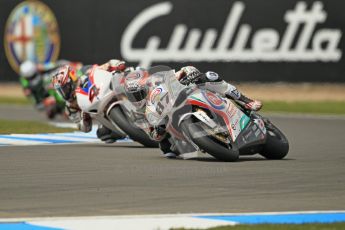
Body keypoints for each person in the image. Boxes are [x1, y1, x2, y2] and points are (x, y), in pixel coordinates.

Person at [123, 66, 263, 158]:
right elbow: (152, 136)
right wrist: (158, 131)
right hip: (173, 122)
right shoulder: (144, 112)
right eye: (133, 96)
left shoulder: (158, 81)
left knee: (209, 76)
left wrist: (188, 74)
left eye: (138, 94)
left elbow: (183, 70)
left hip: (186, 96)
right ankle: (205, 139)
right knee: (167, 150)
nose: (137, 98)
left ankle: (245, 101)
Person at [52, 59, 127, 143]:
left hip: (109, 90)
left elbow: (103, 67)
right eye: (60, 90)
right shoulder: (70, 107)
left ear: (71, 80)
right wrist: (84, 119)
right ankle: (129, 130)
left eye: (65, 88)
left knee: (126, 76)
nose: (64, 92)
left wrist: (116, 65)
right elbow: (85, 129)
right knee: (103, 133)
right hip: (103, 112)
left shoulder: (84, 72)